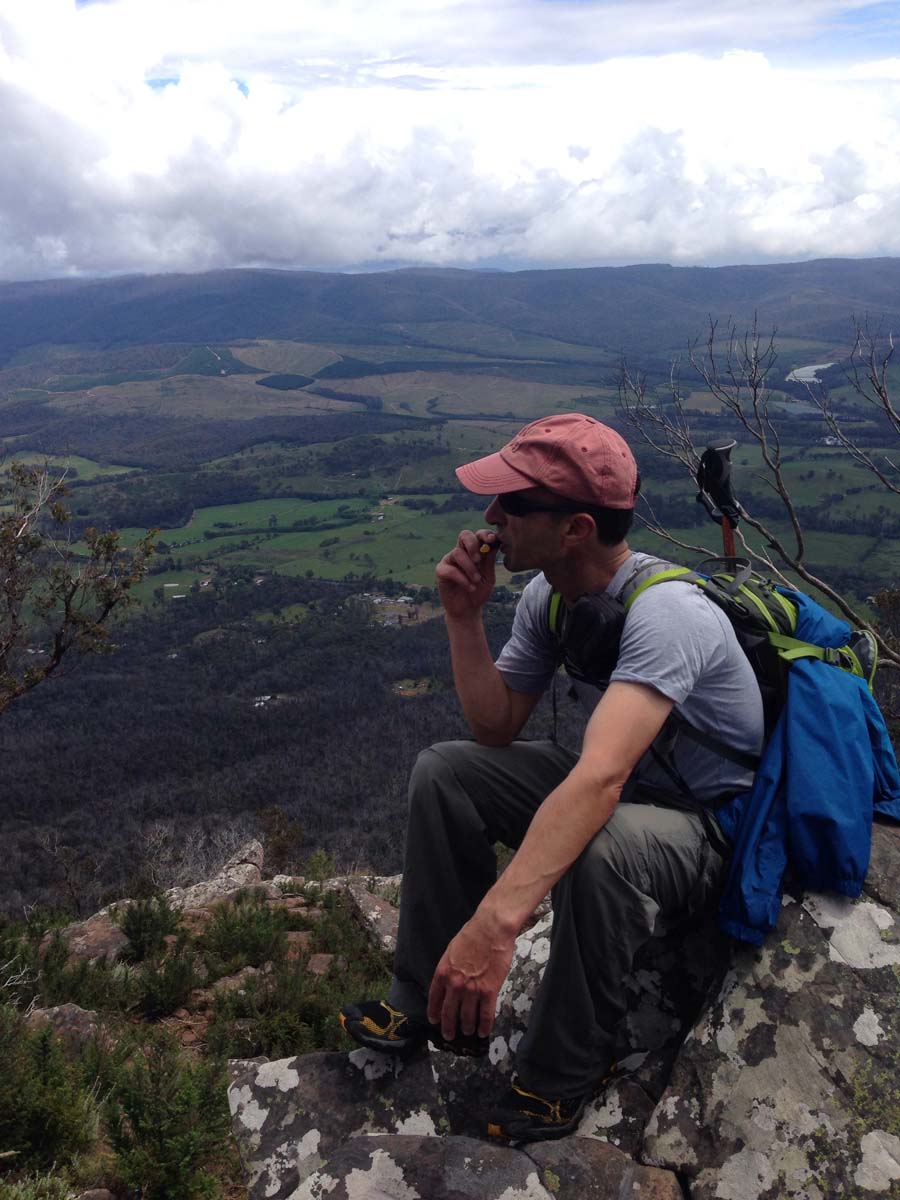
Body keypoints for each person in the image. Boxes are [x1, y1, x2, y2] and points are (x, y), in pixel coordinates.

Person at [340, 413, 763, 1142]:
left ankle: (563, 1072)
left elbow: (600, 781)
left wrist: (495, 925)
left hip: (708, 822)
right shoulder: (552, 596)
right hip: (629, 791)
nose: (491, 517)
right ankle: (419, 999)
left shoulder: (667, 614)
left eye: (513, 504)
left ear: (575, 528)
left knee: (602, 848)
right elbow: (496, 727)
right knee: (446, 772)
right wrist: (463, 619)